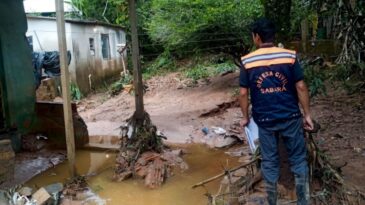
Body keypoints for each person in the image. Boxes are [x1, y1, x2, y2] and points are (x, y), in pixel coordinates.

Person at [239, 18, 314, 205]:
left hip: (264, 120)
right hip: (291, 116)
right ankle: (303, 201)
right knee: (298, 159)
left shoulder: (247, 61)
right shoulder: (289, 56)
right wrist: (307, 115)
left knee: (270, 162)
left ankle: (272, 201)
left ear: (256, 37)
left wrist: (245, 118)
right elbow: (301, 86)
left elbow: (242, 93)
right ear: (273, 36)